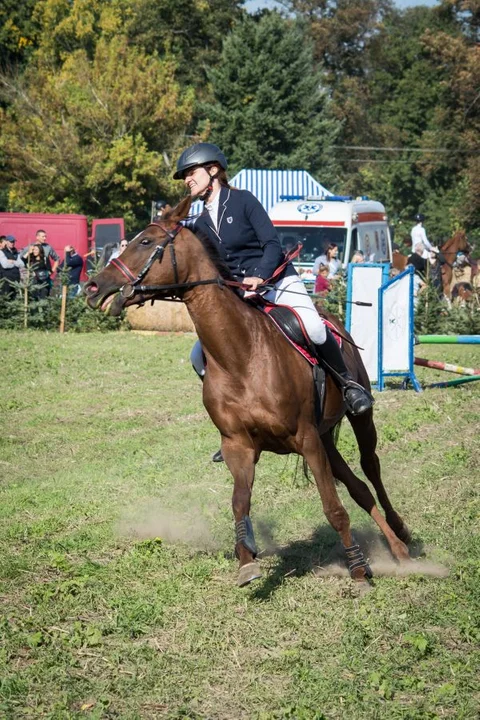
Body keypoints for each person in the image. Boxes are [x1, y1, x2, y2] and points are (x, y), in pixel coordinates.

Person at [173, 142, 373, 460]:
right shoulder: (198, 222)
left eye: (191, 173)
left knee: (314, 327)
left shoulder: (243, 201)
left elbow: (271, 244)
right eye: (184, 176)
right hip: (242, 298)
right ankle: (236, 426)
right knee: (198, 356)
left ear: (213, 171)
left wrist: (260, 276)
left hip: (277, 281)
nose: (187, 180)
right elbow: (170, 235)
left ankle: (349, 385)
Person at [0, 235, 24, 299]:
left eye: (13, 241)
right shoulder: (2, 252)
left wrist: (12, 261)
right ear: (6, 242)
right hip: (6, 280)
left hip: (16, 280)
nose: (12, 243)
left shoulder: (15, 252)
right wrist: (16, 263)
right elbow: (5, 265)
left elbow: (22, 264)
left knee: (14, 298)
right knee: (6, 298)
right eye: (11, 242)